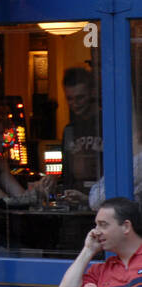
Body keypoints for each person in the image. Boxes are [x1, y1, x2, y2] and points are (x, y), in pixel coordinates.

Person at [39, 67, 102, 209]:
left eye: (80, 97)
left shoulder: (108, 125)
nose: (74, 103)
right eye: (69, 98)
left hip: (103, 202)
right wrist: (54, 179)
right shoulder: (69, 130)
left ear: (92, 92)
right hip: (75, 203)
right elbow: (67, 172)